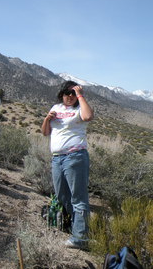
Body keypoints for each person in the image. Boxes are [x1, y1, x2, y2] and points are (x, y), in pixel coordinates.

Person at [41, 80, 94, 250]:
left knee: (78, 197)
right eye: (67, 93)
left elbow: (88, 117)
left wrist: (80, 94)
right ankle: (79, 227)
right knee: (62, 194)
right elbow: (45, 132)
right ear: (61, 94)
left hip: (75, 156)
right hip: (57, 158)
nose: (69, 96)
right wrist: (47, 119)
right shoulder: (55, 108)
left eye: (73, 93)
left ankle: (80, 237)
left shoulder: (79, 108)